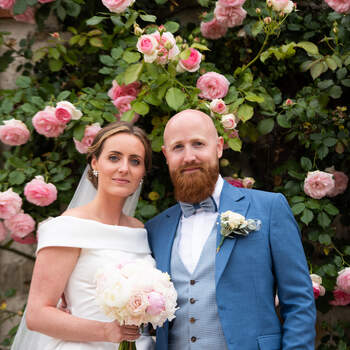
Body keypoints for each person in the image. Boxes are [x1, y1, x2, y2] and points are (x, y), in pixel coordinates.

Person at [145, 109, 316, 350]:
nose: (189, 156)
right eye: (178, 147)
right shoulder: (156, 229)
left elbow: (298, 301)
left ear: (219, 146)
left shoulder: (268, 209)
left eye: (198, 144)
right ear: (166, 155)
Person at [11, 121, 155, 350]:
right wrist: (107, 331)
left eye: (135, 161)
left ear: (142, 173)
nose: (124, 168)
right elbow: (37, 315)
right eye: (114, 157)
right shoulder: (67, 227)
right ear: (95, 163)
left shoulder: (139, 231)